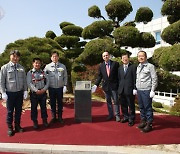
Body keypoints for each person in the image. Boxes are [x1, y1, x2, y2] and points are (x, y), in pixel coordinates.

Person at [0, 50, 28, 136]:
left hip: (19, 93)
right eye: (13, 56)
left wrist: (25, 90)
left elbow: (24, 81)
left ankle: (17, 125)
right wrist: (3, 92)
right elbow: (1, 81)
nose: (15, 58)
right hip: (10, 93)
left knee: (19, 110)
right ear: (10, 56)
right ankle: (10, 127)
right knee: (10, 111)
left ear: (19, 58)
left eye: (17, 56)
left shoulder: (21, 68)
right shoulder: (5, 68)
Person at [92, 51, 120, 122]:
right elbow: (100, 76)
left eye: (106, 55)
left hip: (114, 86)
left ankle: (117, 115)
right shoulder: (101, 66)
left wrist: (119, 84)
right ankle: (111, 115)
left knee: (116, 101)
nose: (105, 57)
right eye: (104, 56)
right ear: (102, 57)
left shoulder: (115, 64)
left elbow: (119, 75)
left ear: (109, 56)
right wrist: (96, 84)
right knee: (108, 101)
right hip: (106, 87)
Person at [136, 50, 158, 133]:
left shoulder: (150, 66)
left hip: (147, 90)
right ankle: (143, 121)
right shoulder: (138, 66)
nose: (140, 57)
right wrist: (135, 88)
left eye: (142, 56)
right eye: (139, 56)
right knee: (141, 107)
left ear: (145, 57)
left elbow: (154, 79)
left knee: (147, 108)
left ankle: (149, 124)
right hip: (139, 90)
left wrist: (152, 90)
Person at [44, 51, 68, 124]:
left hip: (60, 88)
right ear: (51, 58)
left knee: (60, 103)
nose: (55, 58)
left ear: (58, 57)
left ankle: (60, 117)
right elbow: (44, 77)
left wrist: (65, 85)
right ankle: (53, 117)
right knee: (53, 103)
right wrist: (45, 87)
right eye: (53, 56)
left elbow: (65, 76)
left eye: (56, 56)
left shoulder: (62, 66)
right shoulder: (47, 67)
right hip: (51, 88)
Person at [27, 58, 49, 129]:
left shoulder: (43, 72)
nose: (37, 64)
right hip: (34, 94)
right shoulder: (30, 73)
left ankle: (45, 120)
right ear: (33, 64)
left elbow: (48, 82)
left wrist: (44, 89)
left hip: (43, 92)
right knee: (34, 108)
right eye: (36, 63)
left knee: (43, 108)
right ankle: (35, 122)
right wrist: (36, 90)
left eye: (39, 63)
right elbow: (29, 83)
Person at [118, 53, 137, 126]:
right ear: (121, 59)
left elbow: (135, 78)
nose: (124, 59)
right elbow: (119, 79)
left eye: (126, 58)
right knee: (123, 105)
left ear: (128, 58)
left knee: (131, 105)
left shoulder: (133, 67)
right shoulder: (119, 68)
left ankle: (131, 119)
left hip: (130, 89)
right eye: (123, 58)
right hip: (121, 89)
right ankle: (125, 116)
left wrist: (135, 88)